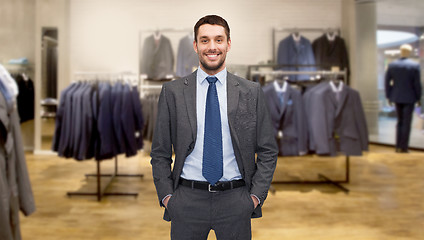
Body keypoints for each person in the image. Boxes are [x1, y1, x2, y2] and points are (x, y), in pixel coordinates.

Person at [150, 15, 278, 239]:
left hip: (236, 200)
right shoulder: (173, 92)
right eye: (205, 40)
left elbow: (268, 150)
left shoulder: (251, 92)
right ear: (195, 45)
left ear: (228, 44)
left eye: (219, 40)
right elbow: (160, 152)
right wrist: (168, 197)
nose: (212, 47)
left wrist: (255, 197)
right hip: (186, 201)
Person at [385, 44, 422, 153]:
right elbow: (417, 84)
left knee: (399, 121)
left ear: (400, 52)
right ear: (409, 52)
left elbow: (387, 83)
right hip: (409, 97)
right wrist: (418, 97)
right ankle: (404, 147)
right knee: (406, 122)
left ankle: (397, 146)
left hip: (396, 96)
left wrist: (389, 96)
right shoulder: (414, 66)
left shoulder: (392, 65)